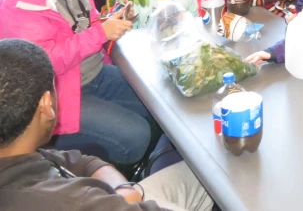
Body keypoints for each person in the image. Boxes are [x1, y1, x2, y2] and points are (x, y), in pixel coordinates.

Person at [0, 0, 152, 166]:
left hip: (90, 72)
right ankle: (102, 172)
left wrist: (109, 20)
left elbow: (86, 24)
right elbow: (44, 64)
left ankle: (138, 162)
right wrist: (101, 33)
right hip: (55, 92)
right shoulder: (19, 2)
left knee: (155, 105)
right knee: (136, 136)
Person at [0, 38, 213, 211]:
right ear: (46, 104)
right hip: (113, 202)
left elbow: (84, 161)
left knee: (202, 170)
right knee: (215, 175)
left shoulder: (17, 152)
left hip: (116, 196)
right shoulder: (74, 202)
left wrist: (122, 188)